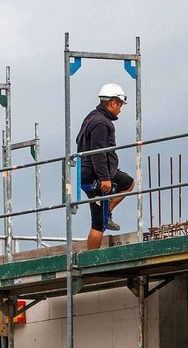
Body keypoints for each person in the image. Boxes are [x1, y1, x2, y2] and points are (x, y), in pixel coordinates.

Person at [76, 84, 135, 250]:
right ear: (114, 103)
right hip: (96, 176)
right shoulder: (102, 123)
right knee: (98, 223)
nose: (120, 110)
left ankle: (107, 212)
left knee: (128, 183)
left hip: (90, 172)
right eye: (121, 105)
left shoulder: (91, 117)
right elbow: (98, 152)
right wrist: (104, 178)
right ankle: (90, 259)